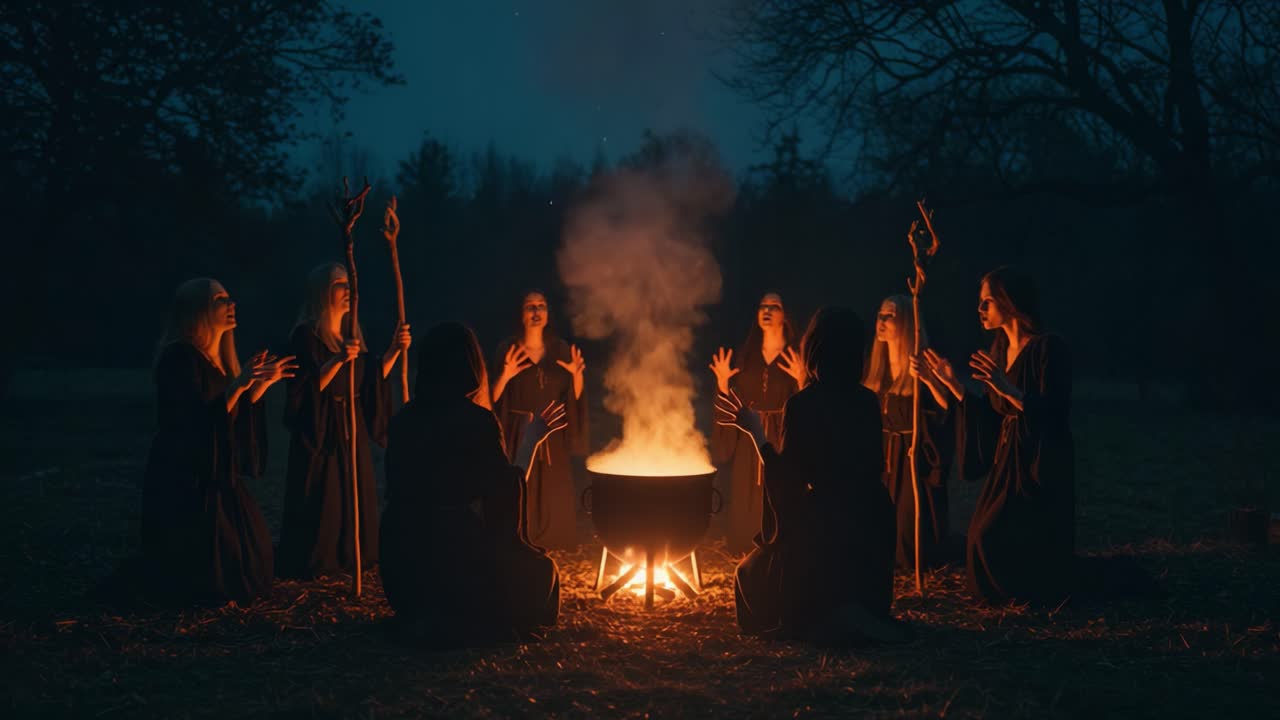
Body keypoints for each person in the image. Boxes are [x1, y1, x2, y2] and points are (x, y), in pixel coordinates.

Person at [717, 307, 908, 644]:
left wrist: (756, 434)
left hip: (827, 523)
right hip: (873, 517)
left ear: (815, 348)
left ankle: (832, 613)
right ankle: (856, 610)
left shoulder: (803, 404)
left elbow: (788, 482)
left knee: (749, 573)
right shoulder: (866, 400)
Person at [381, 322, 562, 646]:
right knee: (541, 570)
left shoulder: (402, 421)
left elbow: (395, 489)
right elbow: (504, 495)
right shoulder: (477, 422)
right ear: (470, 366)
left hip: (403, 564)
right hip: (454, 562)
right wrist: (531, 443)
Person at [922, 267, 1075, 604]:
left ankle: (1029, 592)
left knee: (995, 536)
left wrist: (1005, 387)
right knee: (979, 536)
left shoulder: (1048, 348)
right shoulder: (998, 351)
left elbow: (1052, 411)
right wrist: (953, 385)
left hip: (1036, 460)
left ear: (1010, 302)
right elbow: (991, 415)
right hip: (1008, 459)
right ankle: (1009, 594)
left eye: (987, 302)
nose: (980, 310)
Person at [139, 278, 294, 603]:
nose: (231, 303)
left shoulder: (216, 361)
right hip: (187, 475)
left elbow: (230, 413)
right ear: (199, 310)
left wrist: (260, 385)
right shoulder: (179, 357)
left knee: (253, 553)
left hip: (215, 470)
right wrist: (239, 385)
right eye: (221, 298)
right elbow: (192, 419)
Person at [277, 263, 410, 579]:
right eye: (340, 284)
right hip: (322, 427)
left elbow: (371, 381)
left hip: (352, 426)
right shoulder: (306, 335)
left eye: (349, 284)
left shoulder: (351, 335)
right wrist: (337, 360)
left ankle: (353, 553)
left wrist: (394, 349)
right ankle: (321, 556)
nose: (348, 291)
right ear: (323, 292)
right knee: (325, 493)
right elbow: (305, 388)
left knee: (352, 489)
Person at [709, 292, 806, 553]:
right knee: (746, 487)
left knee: (777, 485)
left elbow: (806, 401)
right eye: (763, 305)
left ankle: (779, 542)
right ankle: (745, 542)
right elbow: (733, 401)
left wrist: (801, 379)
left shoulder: (794, 355)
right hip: (750, 432)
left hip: (779, 434)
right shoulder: (748, 356)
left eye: (774, 305)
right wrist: (722, 383)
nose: (767, 309)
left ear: (785, 315)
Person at [491, 290, 588, 549]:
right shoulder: (508, 349)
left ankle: (552, 538)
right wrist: (505, 374)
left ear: (547, 314)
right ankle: (520, 538)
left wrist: (577, 377)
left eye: (541, 306)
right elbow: (492, 398)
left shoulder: (560, 349)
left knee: (552, 489)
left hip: (552, 432)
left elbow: (573, 398)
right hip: (519, 432)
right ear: (521, 315)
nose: (536, 312)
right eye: (530, 307)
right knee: (521, 484)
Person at [863, 294, 954, 569]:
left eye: (889, 315)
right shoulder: (876, 370)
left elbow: (946, 409)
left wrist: (931, 380)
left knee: (906, 528)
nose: (881, 320)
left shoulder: (921, 364)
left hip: (910, 457)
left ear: (906, 322)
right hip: (883, 456)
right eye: (880, 314)